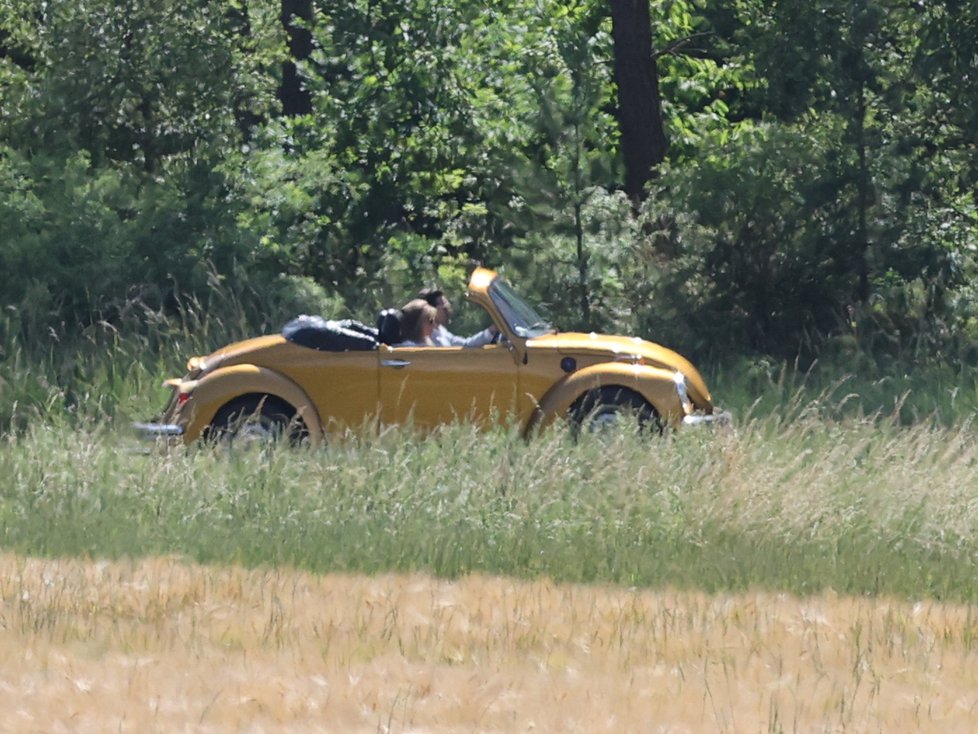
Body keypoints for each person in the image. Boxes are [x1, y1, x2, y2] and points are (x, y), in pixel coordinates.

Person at [419, 288, 498, 348]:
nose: (449, 311)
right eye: (445, 309)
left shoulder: (441, 331)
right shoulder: (421, 337)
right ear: (432, 310)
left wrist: (491, 331)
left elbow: (465, 345)